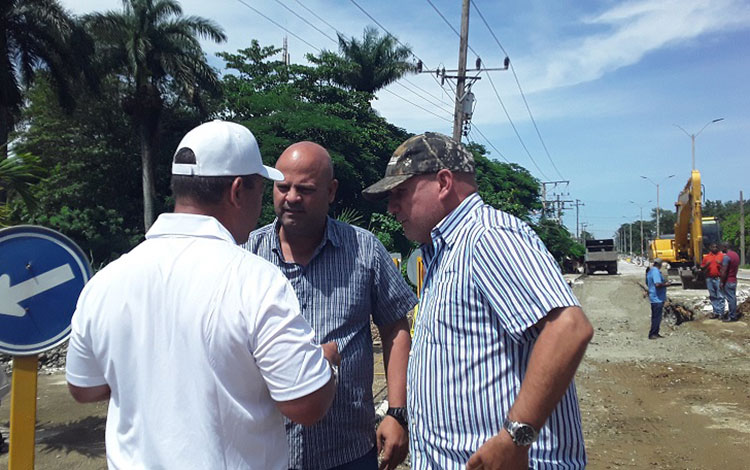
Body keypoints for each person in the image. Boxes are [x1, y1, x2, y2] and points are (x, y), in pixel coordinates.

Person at [65, 121, 340, 469]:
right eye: (263, 189)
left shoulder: (106, 281)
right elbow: (306, 405)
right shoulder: (253, 280)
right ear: (238, 191)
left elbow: (84, 388)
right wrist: (328, 363)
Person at [362, 132, 594, 469]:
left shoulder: (488, 236)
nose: (392, 207)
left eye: (400, 193)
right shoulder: (445, 252)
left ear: (443, 182)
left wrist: (515, 437)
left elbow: (569, 327)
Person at [245, 142, 417, 470]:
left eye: (305, 189)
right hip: (265, 453)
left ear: (331, 191)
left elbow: (395, 327)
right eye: (283, 187)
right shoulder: (247, 253)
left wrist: (397, 412)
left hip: (347, 452)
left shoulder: (365, 250)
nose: (291, 198)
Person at [646, 258, 670, 338]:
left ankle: (655, 332)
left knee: (655, 316)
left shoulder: (650, 271)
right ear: (659, 265)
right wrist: (666, 284)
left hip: (654, 297)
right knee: (657, 317)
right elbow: (657, 284)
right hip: (657, 298)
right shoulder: (656, 272)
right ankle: (653, 333)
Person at [700, 242, 725, 319]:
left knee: (720, 295)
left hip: (718, 278)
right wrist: (706, 265)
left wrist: (720, 264)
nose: (715, 248)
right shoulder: (706, 257)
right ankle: (715, 312)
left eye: (716, 247)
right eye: (713, 247)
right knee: (713, 296)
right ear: (710, 248)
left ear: (718, 248)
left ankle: (721, 313)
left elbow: (726, 267)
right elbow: (702, 268)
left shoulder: (722, 256)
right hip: (709, 278)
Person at [719, 242, 740, 322]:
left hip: (728, 281)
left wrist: (721, 282)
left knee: (730, 299)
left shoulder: (726, 257)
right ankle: (733, 314)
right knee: (733, 298)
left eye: (722, 247)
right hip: (734, 279)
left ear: (725, 247)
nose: (721, 249)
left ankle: (732, 316)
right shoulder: (736, 255)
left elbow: (724, 271)